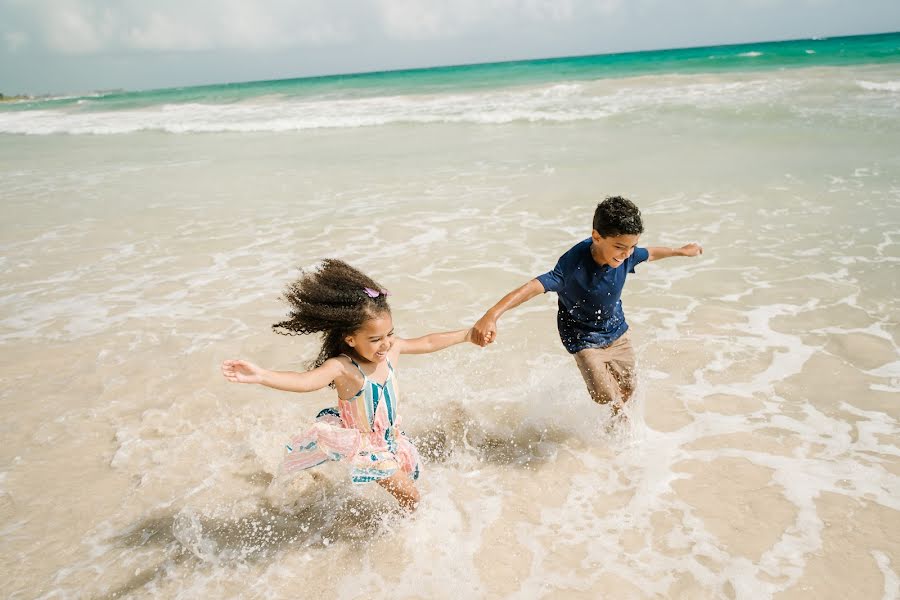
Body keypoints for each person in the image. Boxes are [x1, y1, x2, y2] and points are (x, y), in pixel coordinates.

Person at [222, 259, 475, 511]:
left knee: (410, 487)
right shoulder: (343, 368)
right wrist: (261, 375)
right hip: (365, 447)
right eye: (375, 339)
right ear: (351, 339)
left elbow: (429, 342)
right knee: (412, 497)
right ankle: (404, 539)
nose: (386, 344)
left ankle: (390, 530)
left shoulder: (391, 350)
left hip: (390, 438)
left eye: (389, 334)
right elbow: (305, 381)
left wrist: (467, 335)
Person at [472, 196, 702, 416]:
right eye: (620, 246)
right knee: (603, 395)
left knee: (630, 387)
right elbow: (532, 287)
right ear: (597, 237)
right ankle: (616, 413)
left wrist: (680, 251)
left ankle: (617, 427)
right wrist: (492, 314)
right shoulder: (571, 266)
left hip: (616, 329)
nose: (627, 254)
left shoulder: (627, 254)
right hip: (581, 335)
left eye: (632, 247)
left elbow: (649, 253)